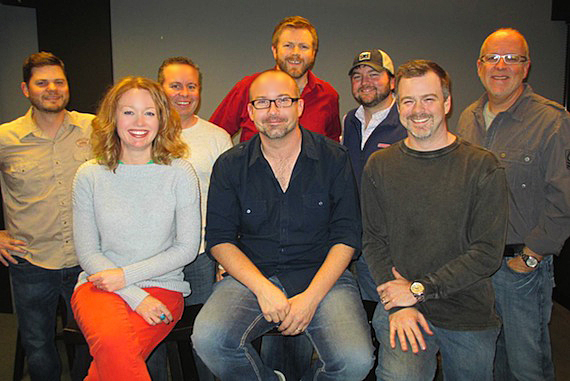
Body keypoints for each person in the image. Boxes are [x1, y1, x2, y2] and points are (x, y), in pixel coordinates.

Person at [192, 70, 374, 381]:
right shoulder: (230, 164)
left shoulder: (334, 158)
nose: (273, 112)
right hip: (254, 276)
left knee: (355, 361)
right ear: (249, 112)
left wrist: (311, 298)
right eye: (262, 102)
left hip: (322, 277)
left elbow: (347, 236)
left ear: (300, 107)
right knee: (209, 340)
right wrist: (263, 288)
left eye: (283, 101)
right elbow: (219, 240)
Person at [361, 60, 508, 381]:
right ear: (398, 106)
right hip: (403, 311)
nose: (417, 110)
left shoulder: (482, 166)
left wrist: (419, 289)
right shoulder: (380, 165)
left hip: (467, 313)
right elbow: (373, 239)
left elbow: (486, 253)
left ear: (447, 102)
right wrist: (400, 304)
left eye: (428, 99)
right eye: (407, 101)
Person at [454, 28, 570, 381]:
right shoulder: (467, 117)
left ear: (526, 67)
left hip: (521, 269)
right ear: (479, 66)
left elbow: (565, 197)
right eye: (492, 58)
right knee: (487, 362)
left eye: (512, 58)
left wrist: (532, 255)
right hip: (475, 269)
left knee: (526, 367)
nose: (500, 66)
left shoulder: (553, 120)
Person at [70, 76, 201, 380]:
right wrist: (133, 294)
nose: (139, 121)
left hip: (163, 287)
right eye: (128, 112)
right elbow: (88, 252)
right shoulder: (89, 175)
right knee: (116, 346)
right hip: (98, 286)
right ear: (112, 118)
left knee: (112, 358)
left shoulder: (180, 172)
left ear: (162, 119)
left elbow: (186, 248)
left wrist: (127, 278)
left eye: (150, 112)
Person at [0, 52, 94, 381]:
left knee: (90, 340)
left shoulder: (94, 127)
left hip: (87, 259)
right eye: (42, 83)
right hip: (30, 259)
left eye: (59, 81)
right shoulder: (5, 138)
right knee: (38, 343)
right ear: (26, 89)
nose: (52, 88)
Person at [150, 56, 232, 381]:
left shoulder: (217, 138)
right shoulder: (142, 132)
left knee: (203, 338)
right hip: (152, 257)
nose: (184, 93)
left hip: (200, 256)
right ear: (159, 88)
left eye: (192, 85)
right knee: (152, 337)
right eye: (175, 85)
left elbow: (229, 205)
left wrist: (224, 261)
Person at [210, 15, 341, 143]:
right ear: (274, 50)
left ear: (314, 53)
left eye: (303, 47)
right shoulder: (249, 87)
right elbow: (212, 136)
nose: (295, 53)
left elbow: (332, 147)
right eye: (288, 45)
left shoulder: (328, 96)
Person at [343, 49, 407, 303]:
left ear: (392, 81)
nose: (365, 81)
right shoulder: (349, 121)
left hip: (390, 247)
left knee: (390, 315)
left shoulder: (406, 121)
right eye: (357, 76)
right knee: (363, 311)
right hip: (353, 240)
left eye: (373, 74)